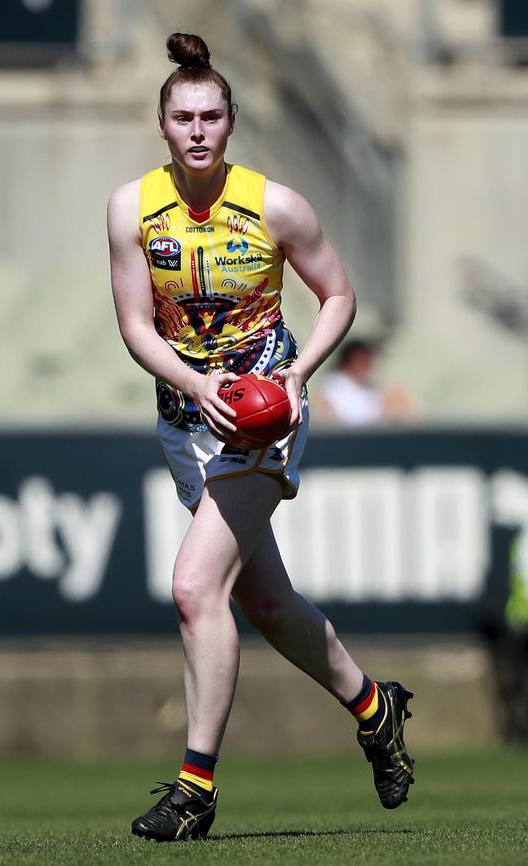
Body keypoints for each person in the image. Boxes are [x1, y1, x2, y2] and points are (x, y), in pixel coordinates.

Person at [107, 32, 415, 842]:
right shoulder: (131, 209)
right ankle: (376, 708)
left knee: (192, 587)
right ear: (163, 124)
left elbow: (339, 296)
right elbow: (137, 327)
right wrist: (194, 383)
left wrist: (299, 373)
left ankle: (195, 789)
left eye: (212, 114)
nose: (198, 129)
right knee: (268, 604)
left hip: (264, 418)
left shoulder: (276, 204)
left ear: (232, 122)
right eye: (183, 117)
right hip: (188, 419)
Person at [316, 338, 415, 425]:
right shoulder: (332, 389)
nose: (370, 366)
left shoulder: (369, 388)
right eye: (366, 360)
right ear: (353, 360)